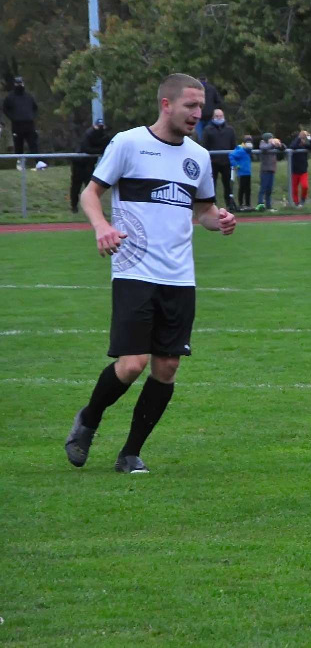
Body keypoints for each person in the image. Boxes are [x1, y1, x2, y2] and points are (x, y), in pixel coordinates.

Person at [63, 73, 237, 474]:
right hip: (134, 271)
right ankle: (88, 419)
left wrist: (221, 220)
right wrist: (102, 227)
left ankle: (130, 453)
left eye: (201, 106)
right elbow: (90, 193)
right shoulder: (129, 143)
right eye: (190, 105)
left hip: (180, 276)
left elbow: (203, 212)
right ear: (166, 104)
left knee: (167, 367)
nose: (198, 113)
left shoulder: (198, 156)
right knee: (132, 364)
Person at [200, 108, 238, 210]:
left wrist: (233, 159)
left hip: (227, 161)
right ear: (213, 117)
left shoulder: (230, 130)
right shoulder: (208, 130)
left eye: (221, 116)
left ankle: (230, 204)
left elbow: (233, 145)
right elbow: (205, 145)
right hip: (213, 162)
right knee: (212, 184)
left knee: (228, 184)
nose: (219, 118)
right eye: (217, 116)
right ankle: (212, 205)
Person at [71, 119, 111, 212]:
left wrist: (99, 151)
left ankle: (94, 209)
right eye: (98, 126)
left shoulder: (105, 136)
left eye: (102, 126)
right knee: (76, 186)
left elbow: (107, 148)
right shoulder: (88, 134)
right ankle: (74, 206)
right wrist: (100, 151)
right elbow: (86, 149)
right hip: (79, 163)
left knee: (91, 188)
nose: (100, 129)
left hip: (90, 164)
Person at [3, 76, 39, 155]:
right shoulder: (10, 97)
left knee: (33, 144)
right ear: (15, 84)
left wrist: (31, 116)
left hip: (29, 125)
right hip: (17, 125)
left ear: (23, 84)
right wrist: (13, 117)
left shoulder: (29, 96)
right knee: (18, 146)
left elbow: (35, 108)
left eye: (21, 83)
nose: (19, 85)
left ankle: (38, 161)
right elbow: (5, 109)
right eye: (17, 83)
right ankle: (19, 161)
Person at [289, 128, 311, 207]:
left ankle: (303, 199)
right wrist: (299, 137)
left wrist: (309, 137)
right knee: (294, 188)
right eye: (302, 139)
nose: (303, 140)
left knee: (305, 186)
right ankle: (296, 203)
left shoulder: (305, 146)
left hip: (303, 171)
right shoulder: (295, 145)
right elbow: (293, 146)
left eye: (303, 139)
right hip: (294, 171)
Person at [257, 132, 283, 211]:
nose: (272, 139)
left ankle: (268, 206)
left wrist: (280, 144)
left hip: (272, 170)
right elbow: (264, 148)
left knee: (269, 190)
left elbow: (283, 148)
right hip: (265, 170)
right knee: (263, 189)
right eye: (270, 138)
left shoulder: (272, 145)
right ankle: (260, 205)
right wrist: (272, 144)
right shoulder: (263, 143)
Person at [229, 135, 254, 210]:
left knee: (248, 189)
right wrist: (235, 165)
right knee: (242, 189)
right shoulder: (241, 150)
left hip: (248, 172)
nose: (249, 143)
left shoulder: (249, 151)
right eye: (248, 142)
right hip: (242, 173)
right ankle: (241, 204)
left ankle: (248, 204)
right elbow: (231, 155)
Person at [195, 76, 223, 140]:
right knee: (208, 137)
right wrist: (213, 110)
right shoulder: (212, 89)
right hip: (205, 117)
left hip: (202, 117)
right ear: (206, 80)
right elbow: (218, 102)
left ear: (197, 80)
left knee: (202, 138)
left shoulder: (195, 90)